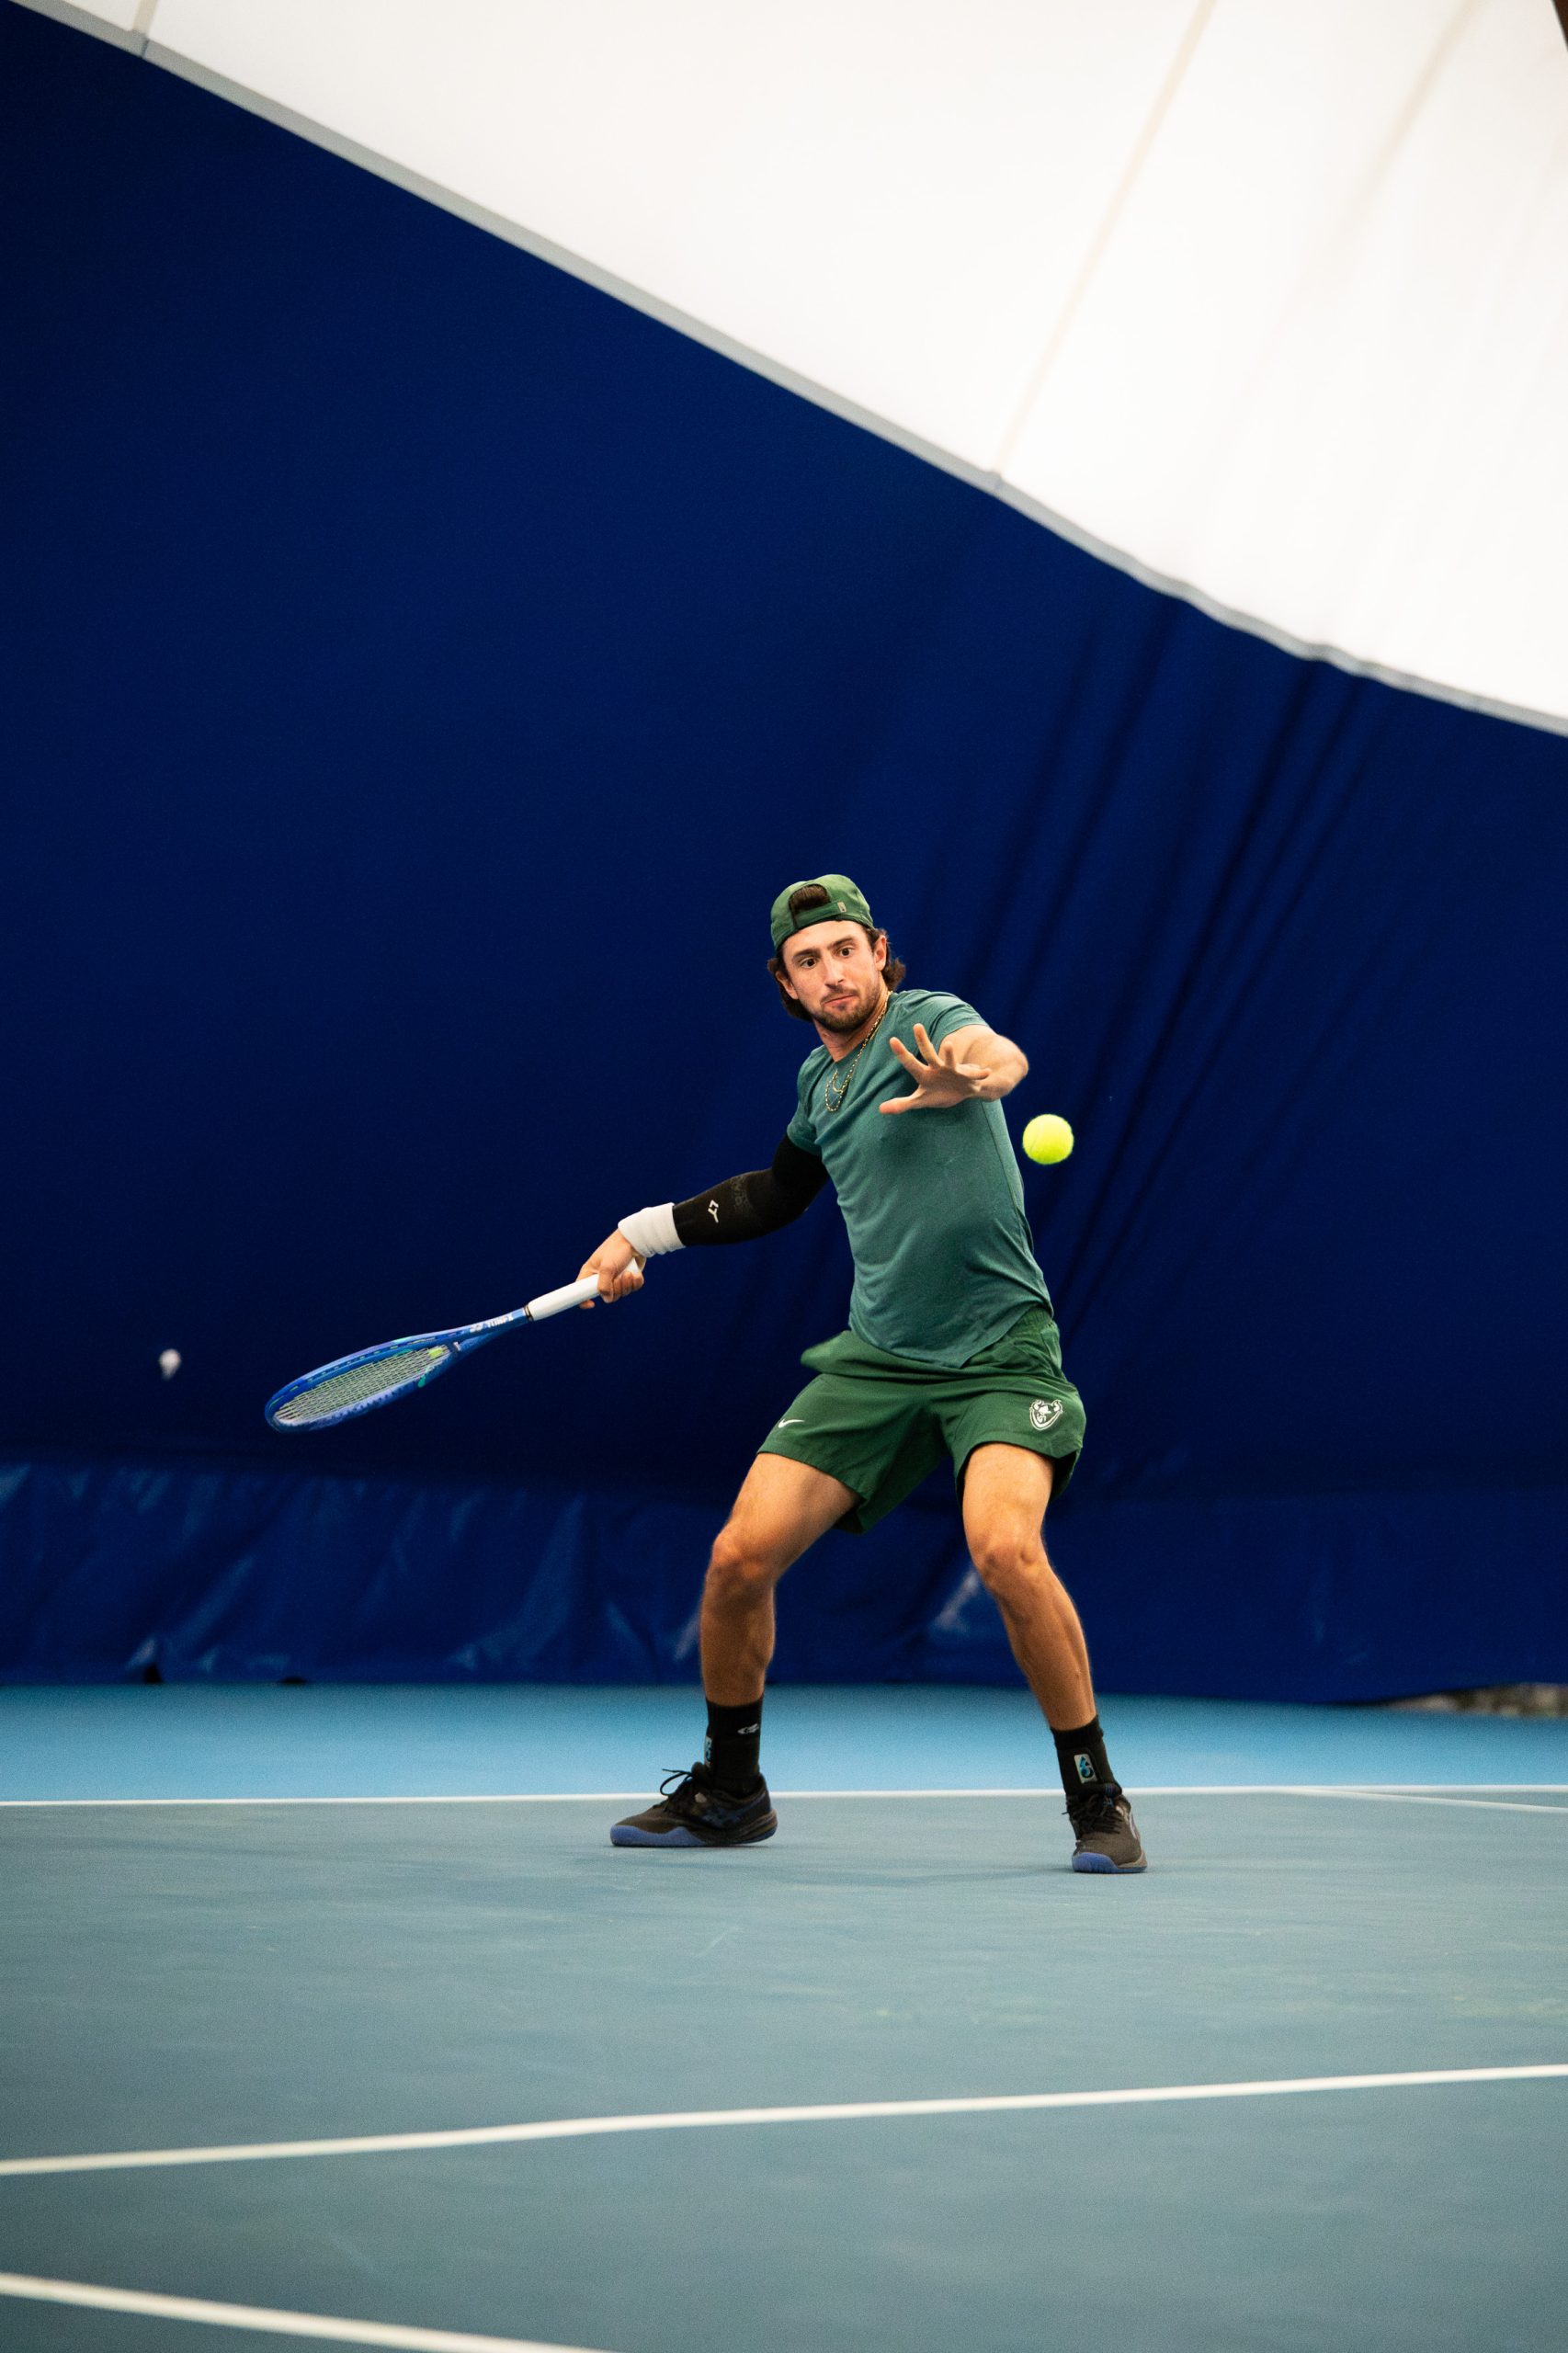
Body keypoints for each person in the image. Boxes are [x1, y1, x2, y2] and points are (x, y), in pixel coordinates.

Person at [578, 875, 1145, 1873]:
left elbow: (997, 1054)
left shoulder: (931, 1022)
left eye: (846, 949)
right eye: (809, 960)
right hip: (878, 1358)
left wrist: (977, 1077)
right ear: (786, 983)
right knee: (737, 1559)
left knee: (1004, 1550)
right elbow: (773, 1195)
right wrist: (637, 1235)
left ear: (878, 952)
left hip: (1001, 1353)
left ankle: (1095, 1794)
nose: (832, 971)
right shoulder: (819, 1087)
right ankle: (731, 1791)